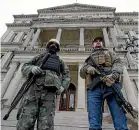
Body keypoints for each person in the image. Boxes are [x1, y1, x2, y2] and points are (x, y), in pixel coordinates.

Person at [16, 39, 70, 130]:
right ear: (47, 46)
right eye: (51, 44)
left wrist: (63, 86)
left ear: (58, 48)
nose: (53, 45)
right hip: (33, 90)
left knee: (46, 123)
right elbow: (25, 66)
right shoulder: (38, 57)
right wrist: (31, 69)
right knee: (26, 120)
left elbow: (67, 75)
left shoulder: (60, 62)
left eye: (56, 44)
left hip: (50, 93)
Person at [80, 37, 129, 130]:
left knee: (119, 116)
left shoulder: (110, 53)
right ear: (92, 45)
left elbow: (118, 63)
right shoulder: (88, 59)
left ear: (103, 43)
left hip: (111, 84)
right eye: (95, 41)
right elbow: (82, 73)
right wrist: (87, 69)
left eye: (100, 41)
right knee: (94, 119)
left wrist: (113, 75)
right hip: (94, 87)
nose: (98, 42)